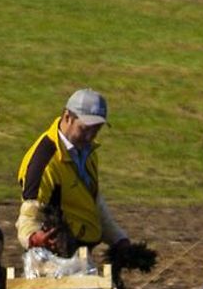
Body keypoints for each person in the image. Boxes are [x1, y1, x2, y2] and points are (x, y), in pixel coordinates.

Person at [16, 87, 132, 259]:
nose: (90, 136)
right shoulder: (43, 161)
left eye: (97, 129)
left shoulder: (87, 152)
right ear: (67, 117)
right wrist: (34, 238)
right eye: (85, 129)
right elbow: (28, 215)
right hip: (53, 260)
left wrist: (119, 239)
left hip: (82, 255)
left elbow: (94, 203)